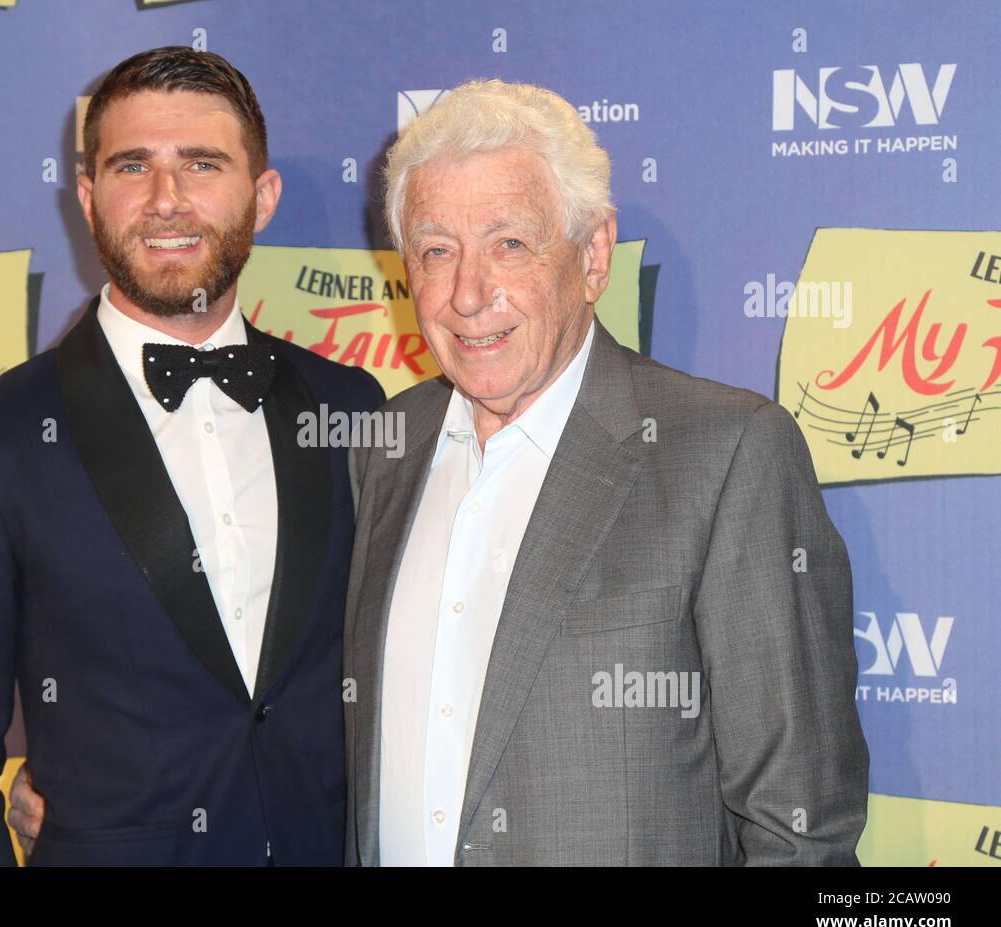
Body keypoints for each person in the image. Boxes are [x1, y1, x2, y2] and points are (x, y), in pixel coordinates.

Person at [339, 78, 870, 865]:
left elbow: (800, 827)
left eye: (509, 244)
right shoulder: (383, 446)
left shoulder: (727, 455)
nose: (467, 294)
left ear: (592, 257)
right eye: (436, 251)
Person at [0, 46, 383, 866]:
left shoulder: (350, 406)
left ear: (262, 198)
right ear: (87, 198)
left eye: (202, 163)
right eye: (132, 166)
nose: (167, 200)